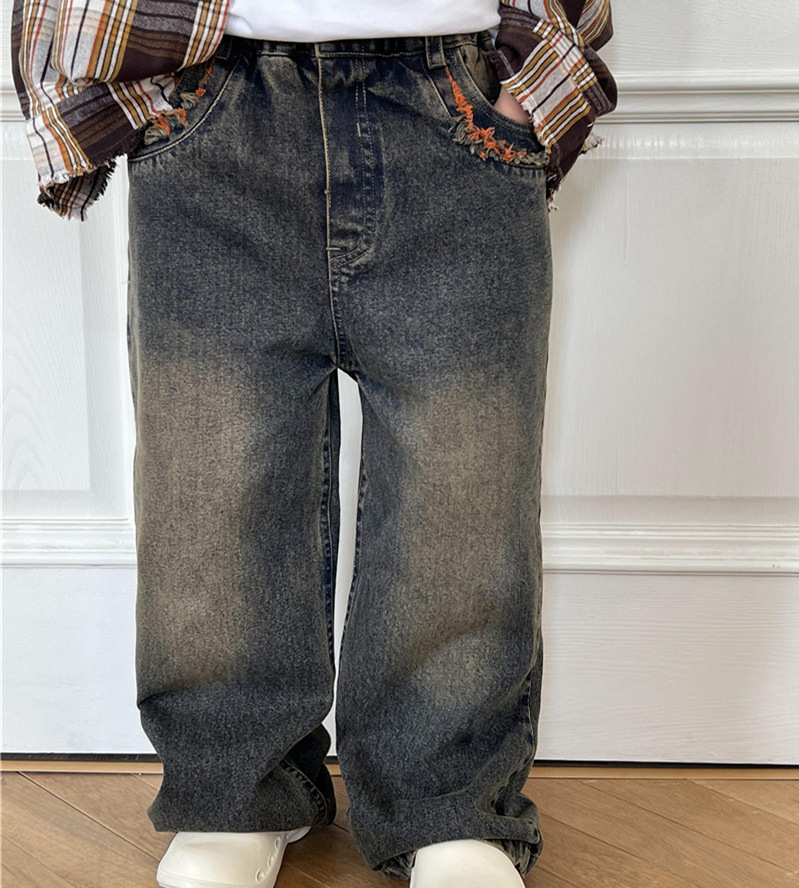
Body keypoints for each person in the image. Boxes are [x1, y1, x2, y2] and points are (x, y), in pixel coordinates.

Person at [10, 3, 617, 887]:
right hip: (214, 101)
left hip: (460, 105)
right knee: (211, 482)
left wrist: (529, 91)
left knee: (464, 485)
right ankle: (234, 790)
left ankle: (448, 801)